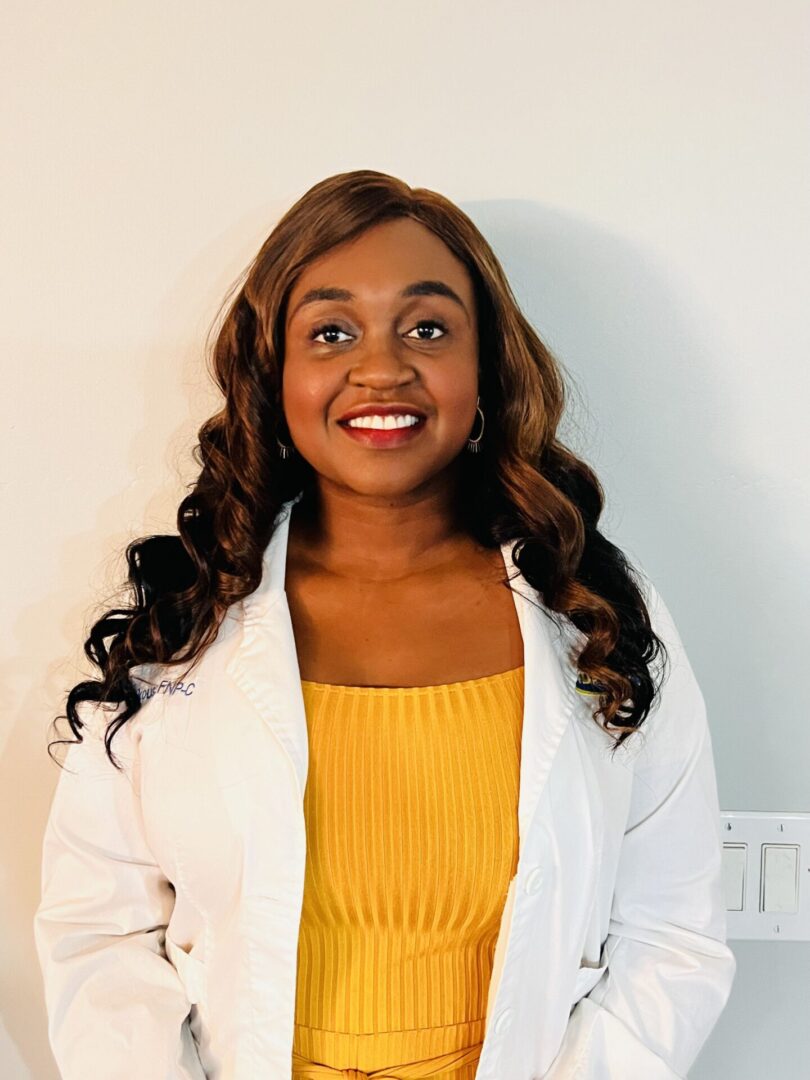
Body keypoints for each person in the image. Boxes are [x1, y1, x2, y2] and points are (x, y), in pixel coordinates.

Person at [33, 169, 736, 1079]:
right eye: (331, 331)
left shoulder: (597, 612)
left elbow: (671, 935)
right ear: (272, 372)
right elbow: (100, 930)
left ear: (484, 367)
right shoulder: (183, 616)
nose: (381, 367)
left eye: (428, 328)